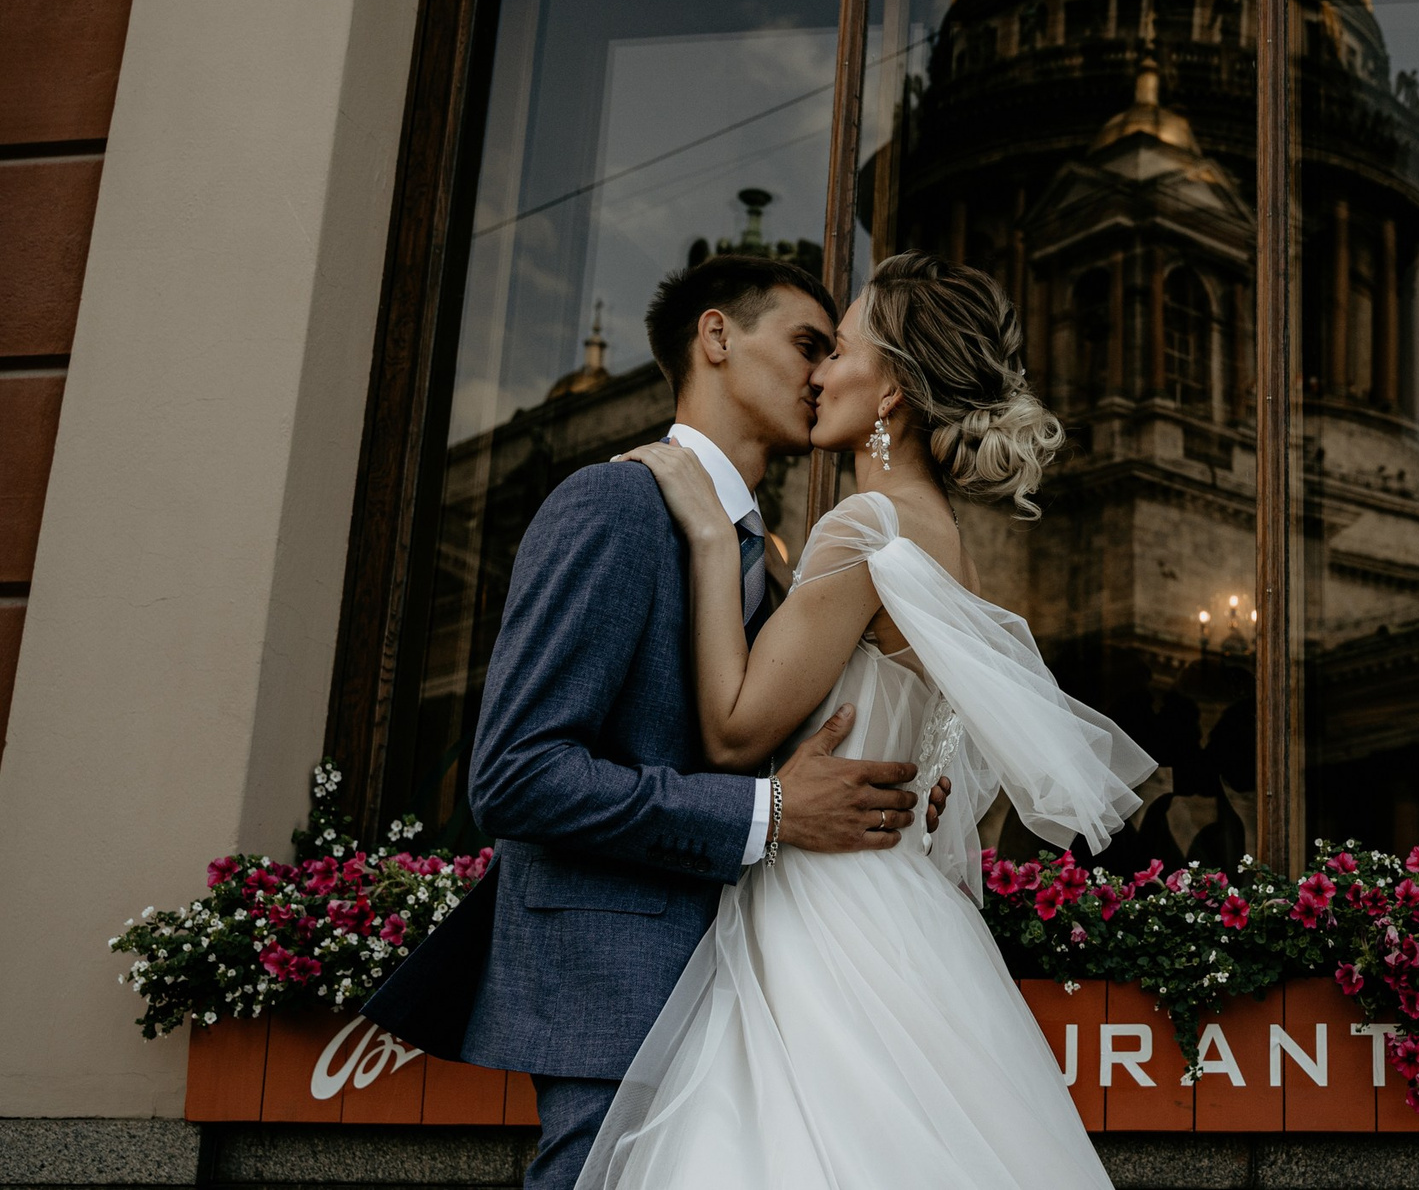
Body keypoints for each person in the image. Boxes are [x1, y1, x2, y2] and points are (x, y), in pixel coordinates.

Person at [362, 253, 952, 1190]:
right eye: (807, 343)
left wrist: (894, 776)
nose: (820, 373)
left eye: (833, 352)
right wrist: (766, 814)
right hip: (620, 982)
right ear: (716, 337)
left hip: (761, 980)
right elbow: (516, 772)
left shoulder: (782, 560)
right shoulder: (613, 504)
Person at [577, 251, 1153, 1189]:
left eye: (836, 348)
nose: (817, 372)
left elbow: (731, 730)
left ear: (888, 387)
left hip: (826, 908)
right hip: (912, 918)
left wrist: (706, 538)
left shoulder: (865, 526)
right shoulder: (946, 546)